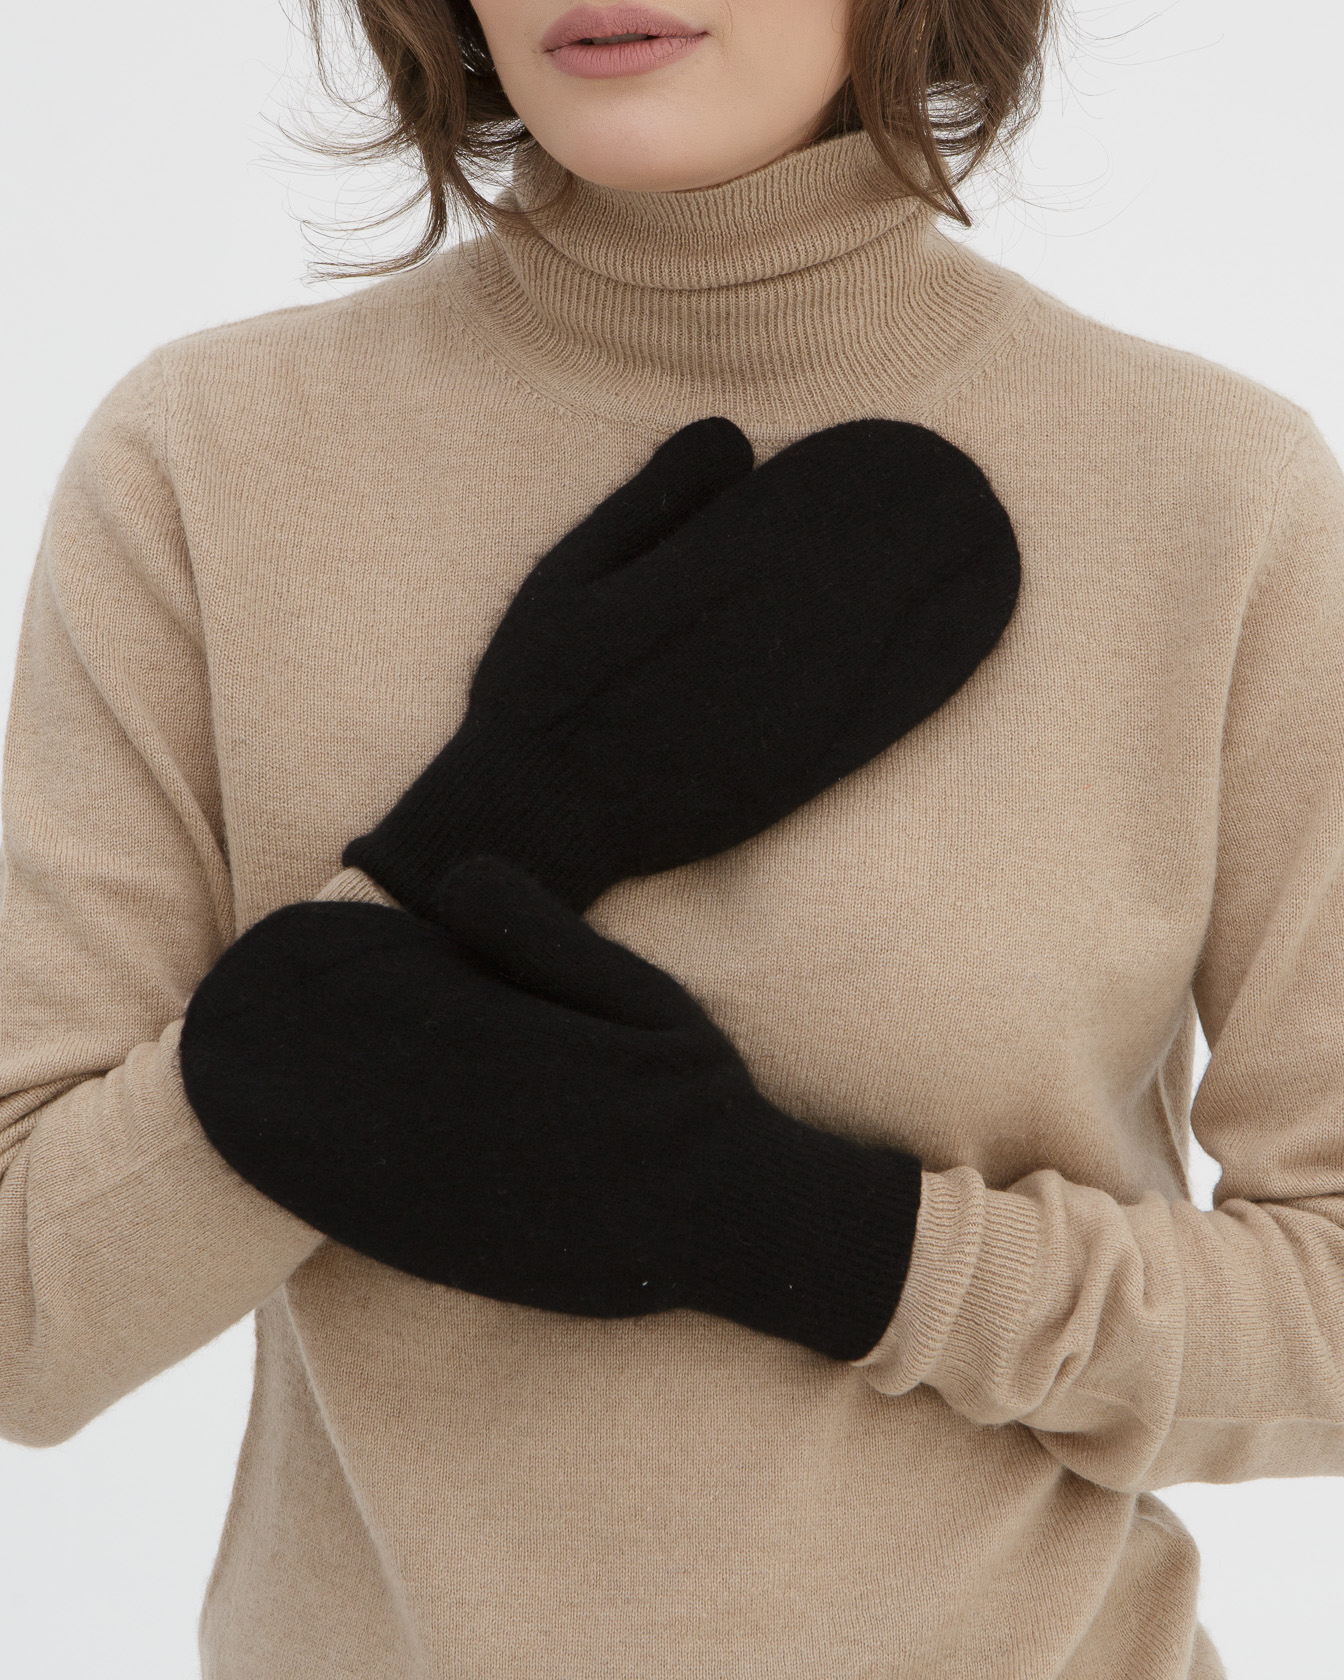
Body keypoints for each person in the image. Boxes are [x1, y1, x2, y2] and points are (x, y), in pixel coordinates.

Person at [2, 0, 1342, 1676]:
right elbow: (27, 1314)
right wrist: (474, 848)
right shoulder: (207, 462)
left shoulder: (1215, 493)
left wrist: (790, 1231)